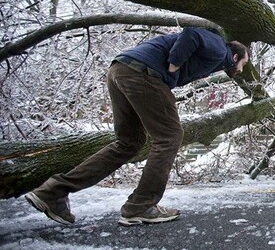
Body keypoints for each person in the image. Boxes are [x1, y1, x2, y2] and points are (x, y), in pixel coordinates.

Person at [24, 27, 249, 226]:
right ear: (236, 56)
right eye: (243, 64)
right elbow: (191, 34)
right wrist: (174, 65)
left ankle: (53, 192)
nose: (240, 70)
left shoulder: (214, 58)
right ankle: (140, 206)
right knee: (170, 136)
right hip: (143, 74)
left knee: (130, 143)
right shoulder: (220, 49)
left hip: (120, 70)